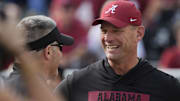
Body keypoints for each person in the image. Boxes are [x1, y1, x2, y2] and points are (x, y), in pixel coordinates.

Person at [56, 1, 180, 101]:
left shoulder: (166, 87)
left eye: (116, 30)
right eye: (104, 31)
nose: (108, 38)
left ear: (139, 33)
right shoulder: (76, 83)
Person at [5, 15, 74, 96]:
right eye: (60, 47)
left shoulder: (9, 87)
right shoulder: (37, 94)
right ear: (48, 52)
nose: (61, 55)